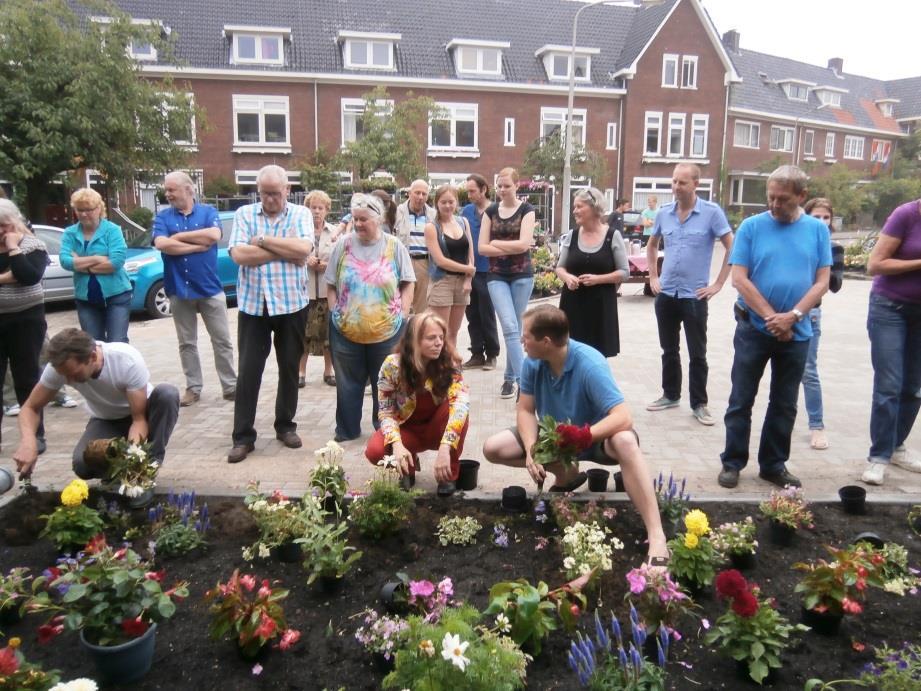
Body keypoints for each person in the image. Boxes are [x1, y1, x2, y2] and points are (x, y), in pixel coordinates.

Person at [482, 305, 668, 565]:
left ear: (546, 342)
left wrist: (583, 437)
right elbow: (525, 409)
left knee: (626, 440)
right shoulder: (533, 362)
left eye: (526, 336)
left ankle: (656, 534)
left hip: (594, 438)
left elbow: (624, 416)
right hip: (556, 438)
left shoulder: (589, 364)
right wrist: (532, 449)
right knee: (494, 448)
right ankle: (565, 472)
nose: (521, 341)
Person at [718, 165, 831, 490]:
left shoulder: (817, 231)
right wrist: (773, 318)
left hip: (797, 333)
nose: (775, 204)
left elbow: (821, 281)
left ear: (801, 196)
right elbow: (739, 278)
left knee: (784, 402)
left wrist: (793, 316)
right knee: (741, 398)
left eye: (783, 199)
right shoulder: (752, 227)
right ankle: (732, 461)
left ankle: (773, 464)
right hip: (754, 329)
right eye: (771, 197)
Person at [226, 165, 313, 464]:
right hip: (253, 305)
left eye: (276, 193)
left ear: (287, 190)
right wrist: (284, 250)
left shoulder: (301, 215)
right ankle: (242, 436)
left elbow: (304, 249)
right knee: (248, 372)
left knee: (289, 368)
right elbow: (238, 255)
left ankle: (285, 426)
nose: (271, 199)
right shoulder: (244, 215)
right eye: (265, 193)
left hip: (291, 305)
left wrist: (262, 241)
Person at [12, 328, 179, 482]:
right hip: (107, 419)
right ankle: (120, 476)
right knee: (82, 465)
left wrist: (134, 462)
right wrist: (28, 442)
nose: (68, 381)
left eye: (74, 374)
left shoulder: (126, 360)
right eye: (65, 376)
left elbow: (138, 420)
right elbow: (30, 407)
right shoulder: (60, 368)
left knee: (167, 394)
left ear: (92, 356)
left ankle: (148, 468)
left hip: (144, 414)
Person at [645, 163, 733, 426]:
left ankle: (699, 403)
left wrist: (718, 283)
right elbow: (652, 245)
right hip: (667, 293)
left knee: (697, 352)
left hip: (695, 295)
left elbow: (732, 247)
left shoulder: (711, 213)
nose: (676, 187)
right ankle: (670, 394)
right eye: (673, 182)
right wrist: (652, 276)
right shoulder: (664, 213)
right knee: (668, 348)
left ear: (696, 184)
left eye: (682, 183)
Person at [325, 193, 415, 442]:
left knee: (385, 384)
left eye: (364, 219)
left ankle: (384, 430)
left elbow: (408, 283)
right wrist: (335, 310)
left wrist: (403, 313)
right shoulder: (342, 245)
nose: (358, 224)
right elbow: (330, 283)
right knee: (347, 385)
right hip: (345, 331)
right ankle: (347, 430)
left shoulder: (393, 246)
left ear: (379, 218)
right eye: (355, 219)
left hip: (388, 331)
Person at [152, 171, 237, 407]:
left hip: (210, 288)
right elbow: (162, 244)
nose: (167, 194)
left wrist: (179, 237)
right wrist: (196, 246)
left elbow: (214, 235)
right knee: (186, 343)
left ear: (188, 189)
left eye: (171, 189)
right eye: (166, 190)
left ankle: (230, 386)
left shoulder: (208, 212)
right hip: (178, 289)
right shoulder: (163, 217)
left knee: (222, 340)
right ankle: (193, 387)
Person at [365, 313, 469, 494]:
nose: (439, 343)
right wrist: (397, 445)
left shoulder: (450, 363)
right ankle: (407, 467)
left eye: (441, 338)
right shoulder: (392, 365)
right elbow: (386, 412)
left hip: (437, 428)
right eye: (431, 338)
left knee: (458, 413)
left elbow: (460, 406)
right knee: (375, 451)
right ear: (414, 341)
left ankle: (448, 474)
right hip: (408, 429)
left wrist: (446, 447)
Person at [861, 197, 921, 486]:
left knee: (913, 386)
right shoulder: (906, 214)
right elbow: (875, 264)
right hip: (890, 308)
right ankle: (879, 457)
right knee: (889, 384)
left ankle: (897, 446)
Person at [478, 167, 535, 399]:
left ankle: (509, 379)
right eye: (499, 186)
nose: (502, 190)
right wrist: (508, 244)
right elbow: (482, 248)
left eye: (506, 186)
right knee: (510, 328)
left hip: (522, 275)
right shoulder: (490, 211)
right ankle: (525, 384)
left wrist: (496, 242)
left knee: (516, 329)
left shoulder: (527, 210)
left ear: (516, 186)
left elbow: (524, 245)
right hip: (496, 275)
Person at [0, 198, 48, 455]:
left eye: (4, 226)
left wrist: (12, 248)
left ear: (14, 222)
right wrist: (8, 278)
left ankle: (35, 435)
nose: (0, 231)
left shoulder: (32, 245)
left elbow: (30, 276)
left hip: (26, 320)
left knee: (27, 378)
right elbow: (18, 275)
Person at [556, 187, 628, 357]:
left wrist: (599, 279)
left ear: (594, 208)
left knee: (597, 357)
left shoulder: (612, 235)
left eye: (579, 206)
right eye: (574, 207)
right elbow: (559, 268)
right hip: (572, 305)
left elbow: (624, 272)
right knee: (570, 353)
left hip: (601, 307)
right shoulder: (571, 236)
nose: (575, 211)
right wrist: (567, 277)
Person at [800, 198, 845, 451]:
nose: (821, 222)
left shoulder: (833, 247)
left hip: (810, 314)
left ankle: (816, 425)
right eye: (816, 217)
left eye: (826, 218)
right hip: (780, 311)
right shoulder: (797, 241)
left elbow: (834, 284)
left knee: (808, 371)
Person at [61, 188, 132, 343]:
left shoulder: (112, 230)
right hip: (85, 298)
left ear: (99, 208)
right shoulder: (70, 233)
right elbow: (65, 261)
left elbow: (116, 262)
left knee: (117, 342)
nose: (84, 214)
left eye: (89, 209)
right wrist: (98, 258)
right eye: (80, 210)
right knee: (93, 345)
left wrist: (80, 262)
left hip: (117, 295)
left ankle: (118, 368)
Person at [424, 185, 475, 351]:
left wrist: (468, 278)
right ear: (436, 203)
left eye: (451, 202)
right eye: (443, 202)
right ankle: (439, 371)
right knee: (440, 332)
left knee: (453, 332)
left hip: (462, 283)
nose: (447, 206)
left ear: (457, 202)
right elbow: (440, 260)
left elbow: (470, 253)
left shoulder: (463, 222)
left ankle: (453, 370)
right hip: (442, 281)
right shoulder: (432, 227)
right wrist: (468, 269)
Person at [298, 190, 339, 389]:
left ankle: (328, 371)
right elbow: (293, 255)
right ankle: (301, 372)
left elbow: (340, 259)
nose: (316, 212)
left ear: (326, 210)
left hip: (326, 290)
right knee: (303, 333)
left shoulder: (333, 233)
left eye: (320, 208)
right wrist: (306, 260)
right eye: (313, 208)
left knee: (328, 335)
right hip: (304, 292)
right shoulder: (299, 231)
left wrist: (326, 264)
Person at [461, 174, 500, 371]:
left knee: (487, 314)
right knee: (472, 314)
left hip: (489, 270)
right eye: (468, 191)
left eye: (472, 191)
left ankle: (492, 354)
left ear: (484, 189)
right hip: (470, 270)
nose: (469, 195)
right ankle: (476, 353)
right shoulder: (466, 211)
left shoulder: (496, 211)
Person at [394, 179, 435, 315]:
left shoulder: (433, 215)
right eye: (417, 193)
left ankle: (418, 334)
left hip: (424, 263)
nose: (420, 197)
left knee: (422, 306)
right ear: (410, 193)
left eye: (424, 194)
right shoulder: (397, 212)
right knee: (399, 303)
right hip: (402, 262)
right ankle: (400, 335)